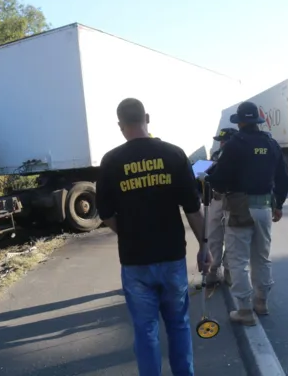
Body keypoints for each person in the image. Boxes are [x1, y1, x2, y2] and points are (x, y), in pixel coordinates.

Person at [96, 97, 213, 376]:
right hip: (172, 257)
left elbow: (105, 214)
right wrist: (204, 246)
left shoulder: (111, 161)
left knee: (145, 330)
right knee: (179, 325)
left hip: (135, 261)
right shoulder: (173, 154)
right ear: (147, 118)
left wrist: (128, 232)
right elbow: (193, 209)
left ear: (120, 125)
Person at [205, 101, 288, 326]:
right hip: (264, 207)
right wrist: (278, 205)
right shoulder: (271, 144)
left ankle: (244, 310)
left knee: (238, 260)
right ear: (258, 121)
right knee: (261, 257)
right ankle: (261, 302)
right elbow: (284, 179)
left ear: (241, 122)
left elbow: (221, 178)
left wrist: (209, 180)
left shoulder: (234, 145)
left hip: (239, 208)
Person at [204, 127, 239, 287]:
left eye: (224, 141)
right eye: (220, 141)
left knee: (232, 238)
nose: (221, 144)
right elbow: (200, 172)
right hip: (216, 199)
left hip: (232, 200)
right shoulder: (217, 155)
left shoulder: (239, 155)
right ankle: (213, 270)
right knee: (213, 236)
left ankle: (229, 270)